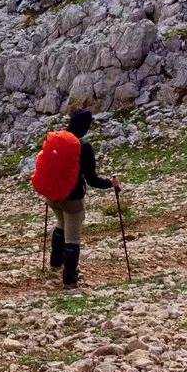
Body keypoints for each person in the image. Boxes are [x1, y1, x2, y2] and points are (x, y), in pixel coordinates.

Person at [47, 107, 118, 288]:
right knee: (73, 238)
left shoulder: (56, 139)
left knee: (60, 224)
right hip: (73, 198)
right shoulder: (83, 147)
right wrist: (111, 183)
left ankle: (55, 263)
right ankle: (69, 279)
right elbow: (92, 180)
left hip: (52, 195)